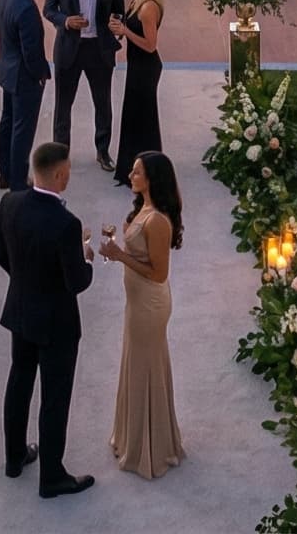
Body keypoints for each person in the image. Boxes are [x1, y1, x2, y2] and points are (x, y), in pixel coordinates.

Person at [0, 140, 96, 500]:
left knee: (19, 380)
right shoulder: (66, 224)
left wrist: (26, 281)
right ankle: (52, 476)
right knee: (54, 396)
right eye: (67, 172)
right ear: (58, 175)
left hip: (21, 310)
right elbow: (77, 282)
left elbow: (1, 255)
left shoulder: (9, 203)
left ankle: (14, 457)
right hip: (56, 323)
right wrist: (86, 258)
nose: (69, 177)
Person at [102, 149, 184, 480]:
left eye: (136, 172)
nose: (130, 175)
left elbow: (159, 274)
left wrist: (120, 255)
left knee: (144, 368)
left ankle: (151, 450)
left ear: (152, 179)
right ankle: (132, 437)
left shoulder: (159, 221)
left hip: (150, 305)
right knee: (135, 365)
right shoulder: (143, 210)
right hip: (136, 303)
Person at [45, 0, 125, 173]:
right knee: (63, 106)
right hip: (69, 49)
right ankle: (60, 155)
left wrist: (116, 23)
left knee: (103, 103)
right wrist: (66, 21)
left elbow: (119, 9)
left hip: (99, 50)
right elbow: (48, 9)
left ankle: (103, 151)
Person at [0, 0, 51, 189]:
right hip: (24, 78)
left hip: (7, 71)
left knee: (8, 123)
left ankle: (5, 174)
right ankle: (18, 182)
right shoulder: (26, 6)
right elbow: (31, 50)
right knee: (22, 131)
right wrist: (40, 75)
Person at [110, 0, 165, 182]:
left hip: (146, 68)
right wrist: (120, 29)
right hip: (136, 65)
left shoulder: (148, 7)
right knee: (132, 115)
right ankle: (132, 165)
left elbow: (150, 45)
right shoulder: (136, 2)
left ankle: (148, 168)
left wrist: (125, 31)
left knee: (143, 116)